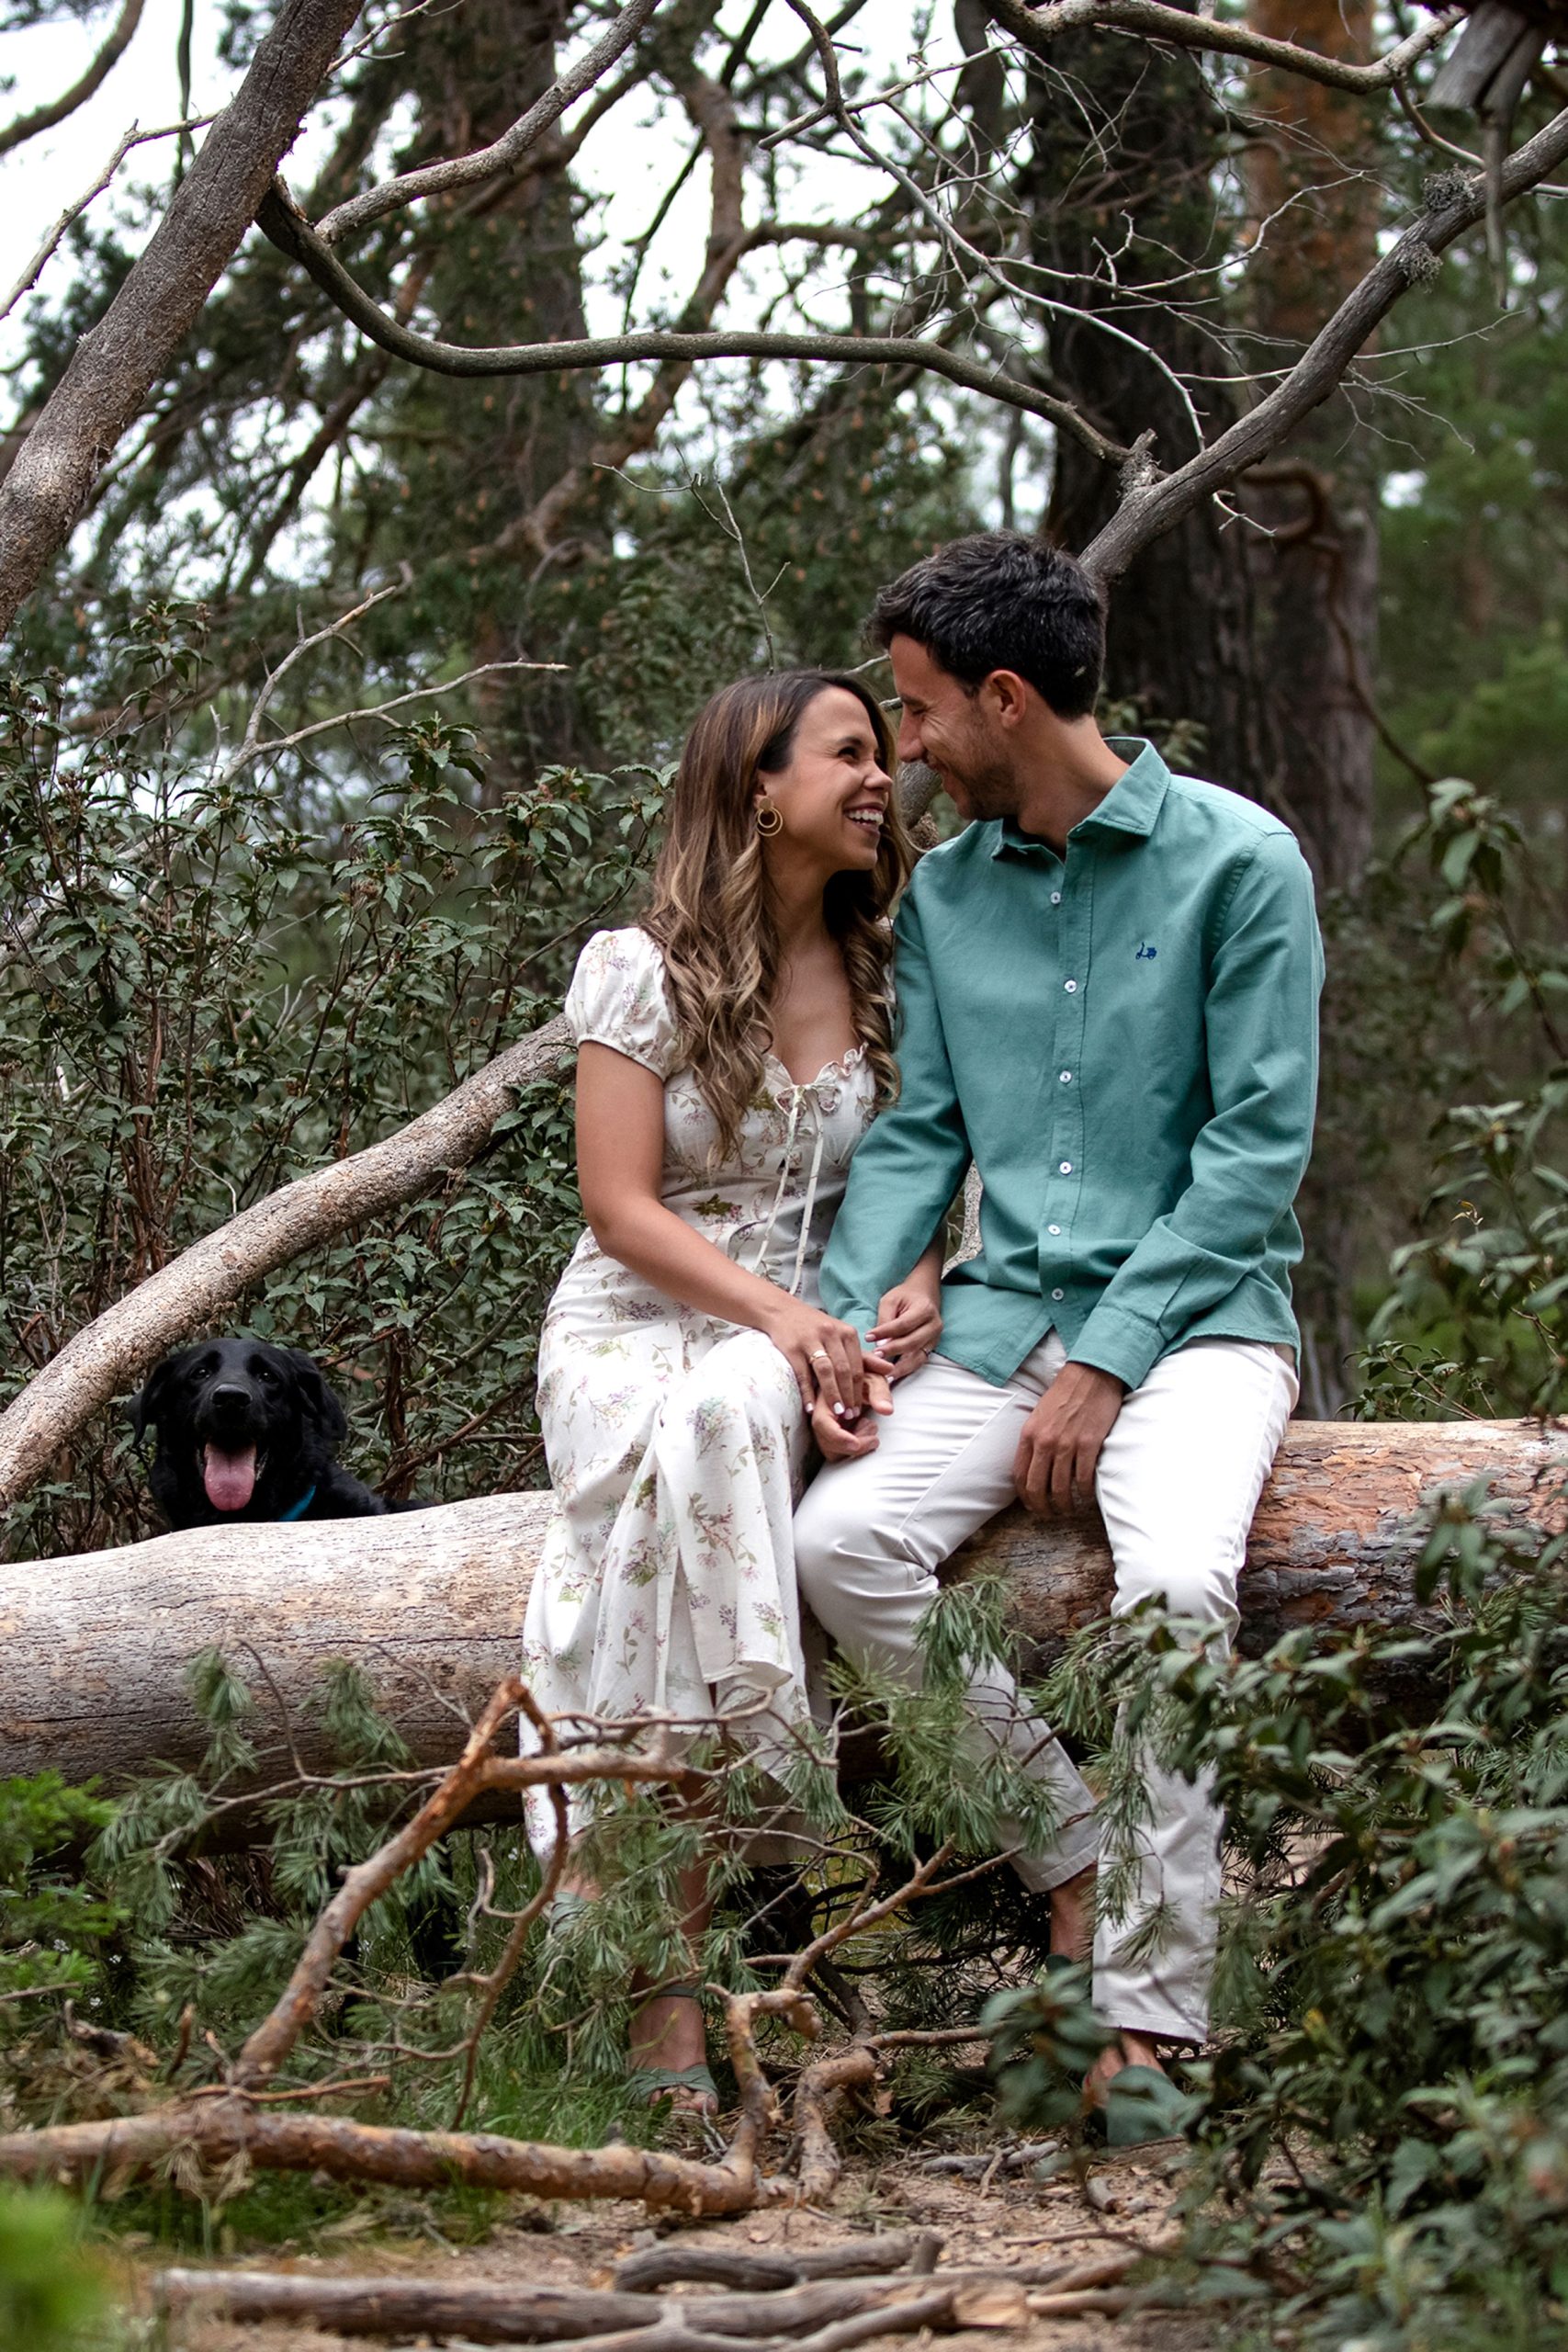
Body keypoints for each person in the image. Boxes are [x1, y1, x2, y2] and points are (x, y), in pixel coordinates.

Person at [792, 531, 1323, 2136]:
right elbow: (921, 1137)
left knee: (1178, 1589)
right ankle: (1075, 1855)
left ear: (1006, 699)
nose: (907, 749)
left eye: (920, 710)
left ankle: (1148, 2020)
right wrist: (839, 1327)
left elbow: (1256, 1152)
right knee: (841, 1546)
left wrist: (1111, 1359)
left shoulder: (1244, 862)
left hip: (1204, 1328)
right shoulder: (950, 896)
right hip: (1006, 1316)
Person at [521, 670, 942, 2120]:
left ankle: (660, 1973)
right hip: (637, 1328)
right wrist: (785, 1322)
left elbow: (933, 1164)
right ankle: (672, 1978)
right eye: (848, 751)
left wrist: (922, 1283)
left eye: (884, 750)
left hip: (818, 1334)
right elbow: (620, 1207)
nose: (881, 775)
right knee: (709, 1419)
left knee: (736, 1408)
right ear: (757, 786)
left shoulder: (896, 967)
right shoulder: (638, 970)